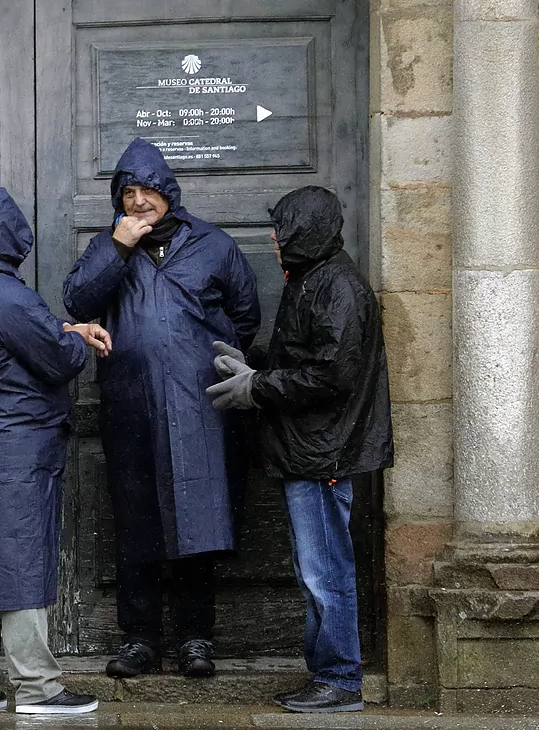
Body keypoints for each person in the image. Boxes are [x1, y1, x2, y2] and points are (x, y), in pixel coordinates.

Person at [62, 138, 261, 679]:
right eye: (128, 192)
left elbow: (246, 316)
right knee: (137, 524)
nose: (139, 201)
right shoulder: (109, 245)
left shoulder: (214, 246)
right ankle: (140, 639)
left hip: (202, 411)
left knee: (199, 521)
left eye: (148, 189)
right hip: (131, 407)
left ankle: (196, 638)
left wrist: (198, 359)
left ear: (168, 193)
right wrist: (118, 248)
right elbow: (77, 301)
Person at [206, 185, 394, 713]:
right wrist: (256, 363)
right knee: (316, 566)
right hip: (308, 449)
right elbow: (303, 355)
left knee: (325, 568)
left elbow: (332, 373)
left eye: (282, 225)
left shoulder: (338, 286)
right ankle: (328, 675)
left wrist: (257, 387)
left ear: (304, 228)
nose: (272, 236)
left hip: (324, 452)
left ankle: (339, 679)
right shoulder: (311, 276)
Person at [0, 187, 110, 715]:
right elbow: (55, 358)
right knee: (18, 564)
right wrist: (77, 339)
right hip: (11, 446)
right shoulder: (4, 293)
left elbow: (9, 340)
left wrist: (62, 327)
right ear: (9, 238)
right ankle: (38, 689)